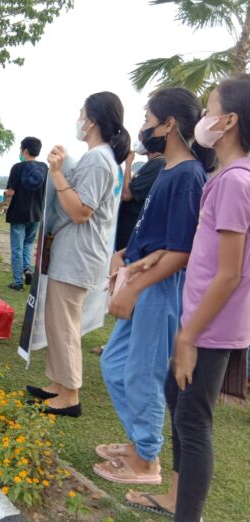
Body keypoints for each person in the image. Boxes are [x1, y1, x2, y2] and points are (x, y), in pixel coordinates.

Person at [122, 75, 250, 522]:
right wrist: (149, 259)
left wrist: (189, 336)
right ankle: (176, 498)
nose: (204, 118)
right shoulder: (225, 177)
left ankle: (186, 512)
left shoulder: (234, 181)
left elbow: (229, 273)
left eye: (210, 109)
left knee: (193, 422)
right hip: (201, 321)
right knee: (179, 408)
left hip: (210, 328)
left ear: (229, 121)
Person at [94, 87, 216, 485]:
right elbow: (155, 233)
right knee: (115, 366)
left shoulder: (188, 175)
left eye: (148, 120)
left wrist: (133, 287)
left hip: (160, 285)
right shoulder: (167, 169)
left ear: (169, 124)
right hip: (143, 276)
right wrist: (122, 255)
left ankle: (145, 460)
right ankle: (139, 442)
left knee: (143, 374)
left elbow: (181, 251)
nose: (143, 127)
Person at [26, 92, 131, 417]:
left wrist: (58, 174)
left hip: (79, 255)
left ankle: (70, 394)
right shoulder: (100, 158)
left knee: (65, 324)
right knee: (58, 320)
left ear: (93, 121)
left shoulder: (99, 159)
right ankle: (58, 384)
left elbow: (81, 211)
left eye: (82, 113)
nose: (79, 119)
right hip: (75, 253)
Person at [4, 137, 48, 290]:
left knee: (17, 248)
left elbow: (11, 192)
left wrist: (5, 193)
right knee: (29, 244)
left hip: (18, 213)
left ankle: (17, 282)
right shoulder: (45, 168)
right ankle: (27, 269)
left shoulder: (17, 168)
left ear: (25, 150)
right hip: (36, 214)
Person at [114, 142, 165, 251]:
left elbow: (126, 194)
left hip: (131, 235)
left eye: (142, 137)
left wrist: (128, 164)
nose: (140, 141)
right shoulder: (151, 164)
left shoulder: (158, 164)